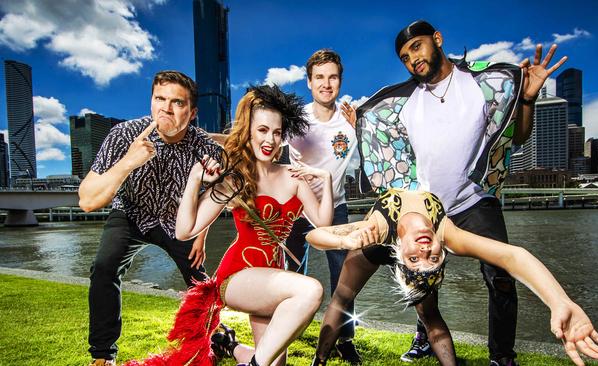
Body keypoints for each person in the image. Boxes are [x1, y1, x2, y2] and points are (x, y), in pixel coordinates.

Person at [350, 20, 567, 365]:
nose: (413, 60)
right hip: (428, 208)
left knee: (501, 277)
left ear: (437, 40)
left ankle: (502, 357)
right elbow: (388, 149)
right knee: (422, 273)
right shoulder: (404, 104)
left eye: (417, 47)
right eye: (405, 57)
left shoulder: (480, 85)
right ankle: (424, 335)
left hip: (474, 200)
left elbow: (520, 137)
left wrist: (527, 98)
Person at [126, 85, 334, 366]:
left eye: (276, 132)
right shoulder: (236, 180)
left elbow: (323, 223)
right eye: (262, 130)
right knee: (310, 290)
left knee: (277, 362)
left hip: (274, 278)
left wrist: (326, 178)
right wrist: (194, 180)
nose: (270, 139)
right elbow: (184, 231)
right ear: (248, 131)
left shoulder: (294, 177)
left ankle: (231, 346)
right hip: (239, 276)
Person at [308, 188, 598, 366]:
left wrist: (344, 239)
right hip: (376, 245)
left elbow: (315, 235)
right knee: (350, 299)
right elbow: (512, 255)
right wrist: (559, 301)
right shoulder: (445, 233)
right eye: (434, 258)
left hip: (376, 243)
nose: (426, 250)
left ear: (402, 254)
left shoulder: (379, 227)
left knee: (421, 312)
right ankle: (320, 360)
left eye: (417, 258)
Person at [79, 71, 221, 366]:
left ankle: (216, 339)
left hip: (175, 221)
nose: (166, 109)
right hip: (129, 213)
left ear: (192, 112)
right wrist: (129, 161)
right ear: (151, 101)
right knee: (104, 267)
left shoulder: (204, 146)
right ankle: (103, 355)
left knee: (202, 282)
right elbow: (88, 200)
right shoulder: (124, 135)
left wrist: (201, 234)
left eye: (177, 102)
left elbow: (213, 193)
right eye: (160, 99)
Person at [283, 49, 361, 363]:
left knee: (344, 276)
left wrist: (362, 128)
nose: (326, 84)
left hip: (336, 208)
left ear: (340, 81)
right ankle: (288, 330)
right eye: (319, 77)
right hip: (296, 209)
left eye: (332, 77)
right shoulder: (295, 119)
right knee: (291, 273)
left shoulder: (352, 119)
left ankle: (345, 338)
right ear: (309, 81)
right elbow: (258, 140)